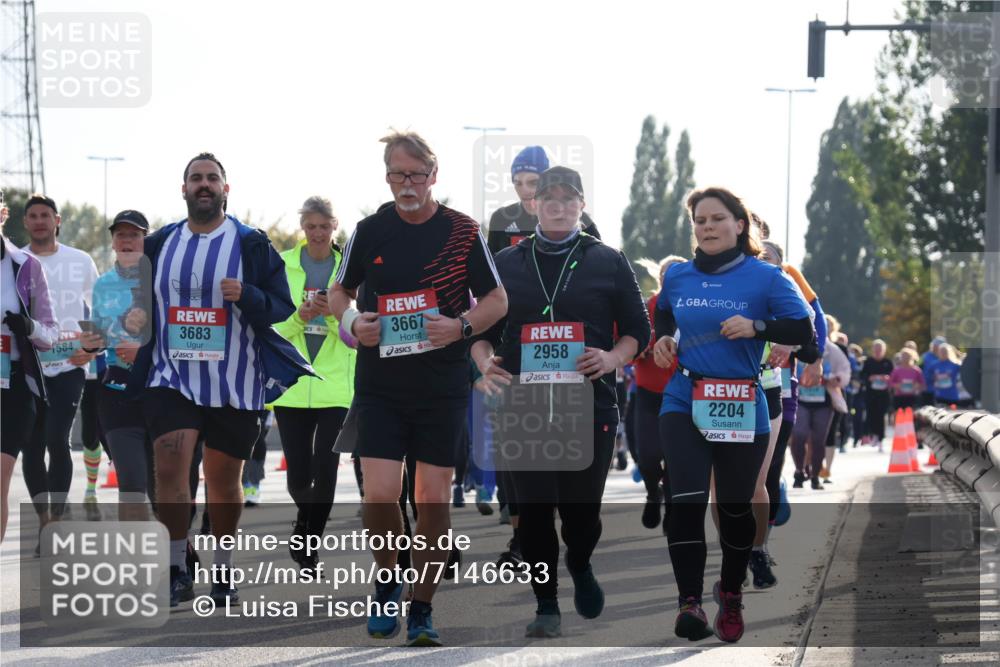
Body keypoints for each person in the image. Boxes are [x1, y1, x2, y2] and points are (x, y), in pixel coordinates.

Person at [328, 130, 506, 646]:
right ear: (386, 176)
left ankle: (423, 607)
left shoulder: (462, 231)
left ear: (434, 175)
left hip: (441, 386)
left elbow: (497, 299)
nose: (406, 184)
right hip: (381, 385)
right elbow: (341, 290)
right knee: (379, 497)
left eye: (416, 174)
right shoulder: (369, 230)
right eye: (396, 174)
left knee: (432, 502)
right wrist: (353, 320)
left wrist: (462, 327)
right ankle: (388, 577)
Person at [124, 152, 313, 608]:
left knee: (223, 480)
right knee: (169, 468)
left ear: (226, 189)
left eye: (212, 178)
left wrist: (247, 294)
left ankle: (223, 570)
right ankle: (175, 568)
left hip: (235, 380)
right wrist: (136, 321)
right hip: (171, 376)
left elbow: (282, 306)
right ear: (183, 188)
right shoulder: (161, 242)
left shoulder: (251, 243)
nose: (203, 185)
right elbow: (142, 304)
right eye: (196, 178)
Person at [472, 165, 649, 639]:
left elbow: (639, 330)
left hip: (589, 404)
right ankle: (546, 602)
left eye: (568, 198)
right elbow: (480, 333)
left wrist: (612, 356)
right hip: (523, 405)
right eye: (548, 197)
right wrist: (486, 364)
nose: (557, 205)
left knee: (581, 514)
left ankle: (581, 560)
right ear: (534, 205)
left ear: (582, 205)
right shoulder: (505, 264)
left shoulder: (608, 260)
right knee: (531, 510)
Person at [652, 187, 813, 643]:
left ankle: (731, 592)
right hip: (685, 397)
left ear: (740, 225)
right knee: (683, 501)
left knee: (735, 507)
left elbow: (803, 328)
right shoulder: (680, 276)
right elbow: (663, 314)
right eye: (699, 220)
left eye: (717, 218)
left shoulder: (765, 277)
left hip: (743, 401)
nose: (706, 227)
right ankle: (689, 603)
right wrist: (664, 339)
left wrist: (757, 327)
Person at [270, 195, 356, 572]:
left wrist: (334, 318)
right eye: (311, 227)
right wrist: (300, 317)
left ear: (334, 226)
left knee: (327, 467)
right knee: (298, 476)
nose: (318, 234)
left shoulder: (348, 269)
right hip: (291, 384)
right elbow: (271, 328)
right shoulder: (283, 266)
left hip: (335, 386)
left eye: (325, 226)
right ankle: (305, 519)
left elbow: (359, 328)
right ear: (302, 228)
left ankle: (309, 545)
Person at [20, 194, 100, 533]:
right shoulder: (15, 260)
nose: (39, 221)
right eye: (33, 216)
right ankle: (45, 520)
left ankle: (57, 518)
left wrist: (92, 348)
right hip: (26, 366)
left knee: (57, 437)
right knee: (32, 446)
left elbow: (99, 307)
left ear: (58, 220)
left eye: (45, 215)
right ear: (25, 222)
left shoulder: (80, 260)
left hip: (69, 363)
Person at [87, 210, 154, 518]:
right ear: (113, 242)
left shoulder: (160, 280)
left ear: (145, 240)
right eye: (121, 235)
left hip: (159, 391)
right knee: (131, 484)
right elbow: (98, 333)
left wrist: (143, 349)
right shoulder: (102, 285)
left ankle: (178, 553)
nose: (127, 241)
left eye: (135, 235)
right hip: (116, 391)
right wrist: (87, 342)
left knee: (167, 486)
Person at [1, 191, 59, 541]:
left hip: (13, 388)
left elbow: (50, 333)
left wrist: (28, 327)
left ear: (3, 213)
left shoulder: (25, 266)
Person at [632, 256, 684, 531]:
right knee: (648, 456)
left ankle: (674, 508)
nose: (671, 278)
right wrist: (636, 350)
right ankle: (654, 492)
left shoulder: (694, 308)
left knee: (676, 457)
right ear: (660, 279)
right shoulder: (645, 308)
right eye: (666, 273)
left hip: (683, 394)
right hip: (648, 392)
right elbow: (626, 340)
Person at [486, 146, 600, 254]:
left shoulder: (578, 219)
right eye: (518, 183)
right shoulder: (501, 218)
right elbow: (489, 268)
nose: (525, 190)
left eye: (533, 182)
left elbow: (600, 260)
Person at [860, 339, 894, 450]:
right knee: (871, 415)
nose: (878, 351)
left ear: (884, 350)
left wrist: (887, 378)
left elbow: (893, 377)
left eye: (880, 349)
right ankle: (872, 435)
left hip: (883, 394)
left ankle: (881, 438)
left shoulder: (888, 362)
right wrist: (870, 378)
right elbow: (862, 376)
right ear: (873, 350)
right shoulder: (868, 362)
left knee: (881, 415)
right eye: (876, 349)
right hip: (871, 393)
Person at [921, 336, 946, 407]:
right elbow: (918, 369)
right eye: (935, 345)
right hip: (927, 389)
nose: (936, 347)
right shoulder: (924, 357)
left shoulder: (946, 356)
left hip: (942, 390)